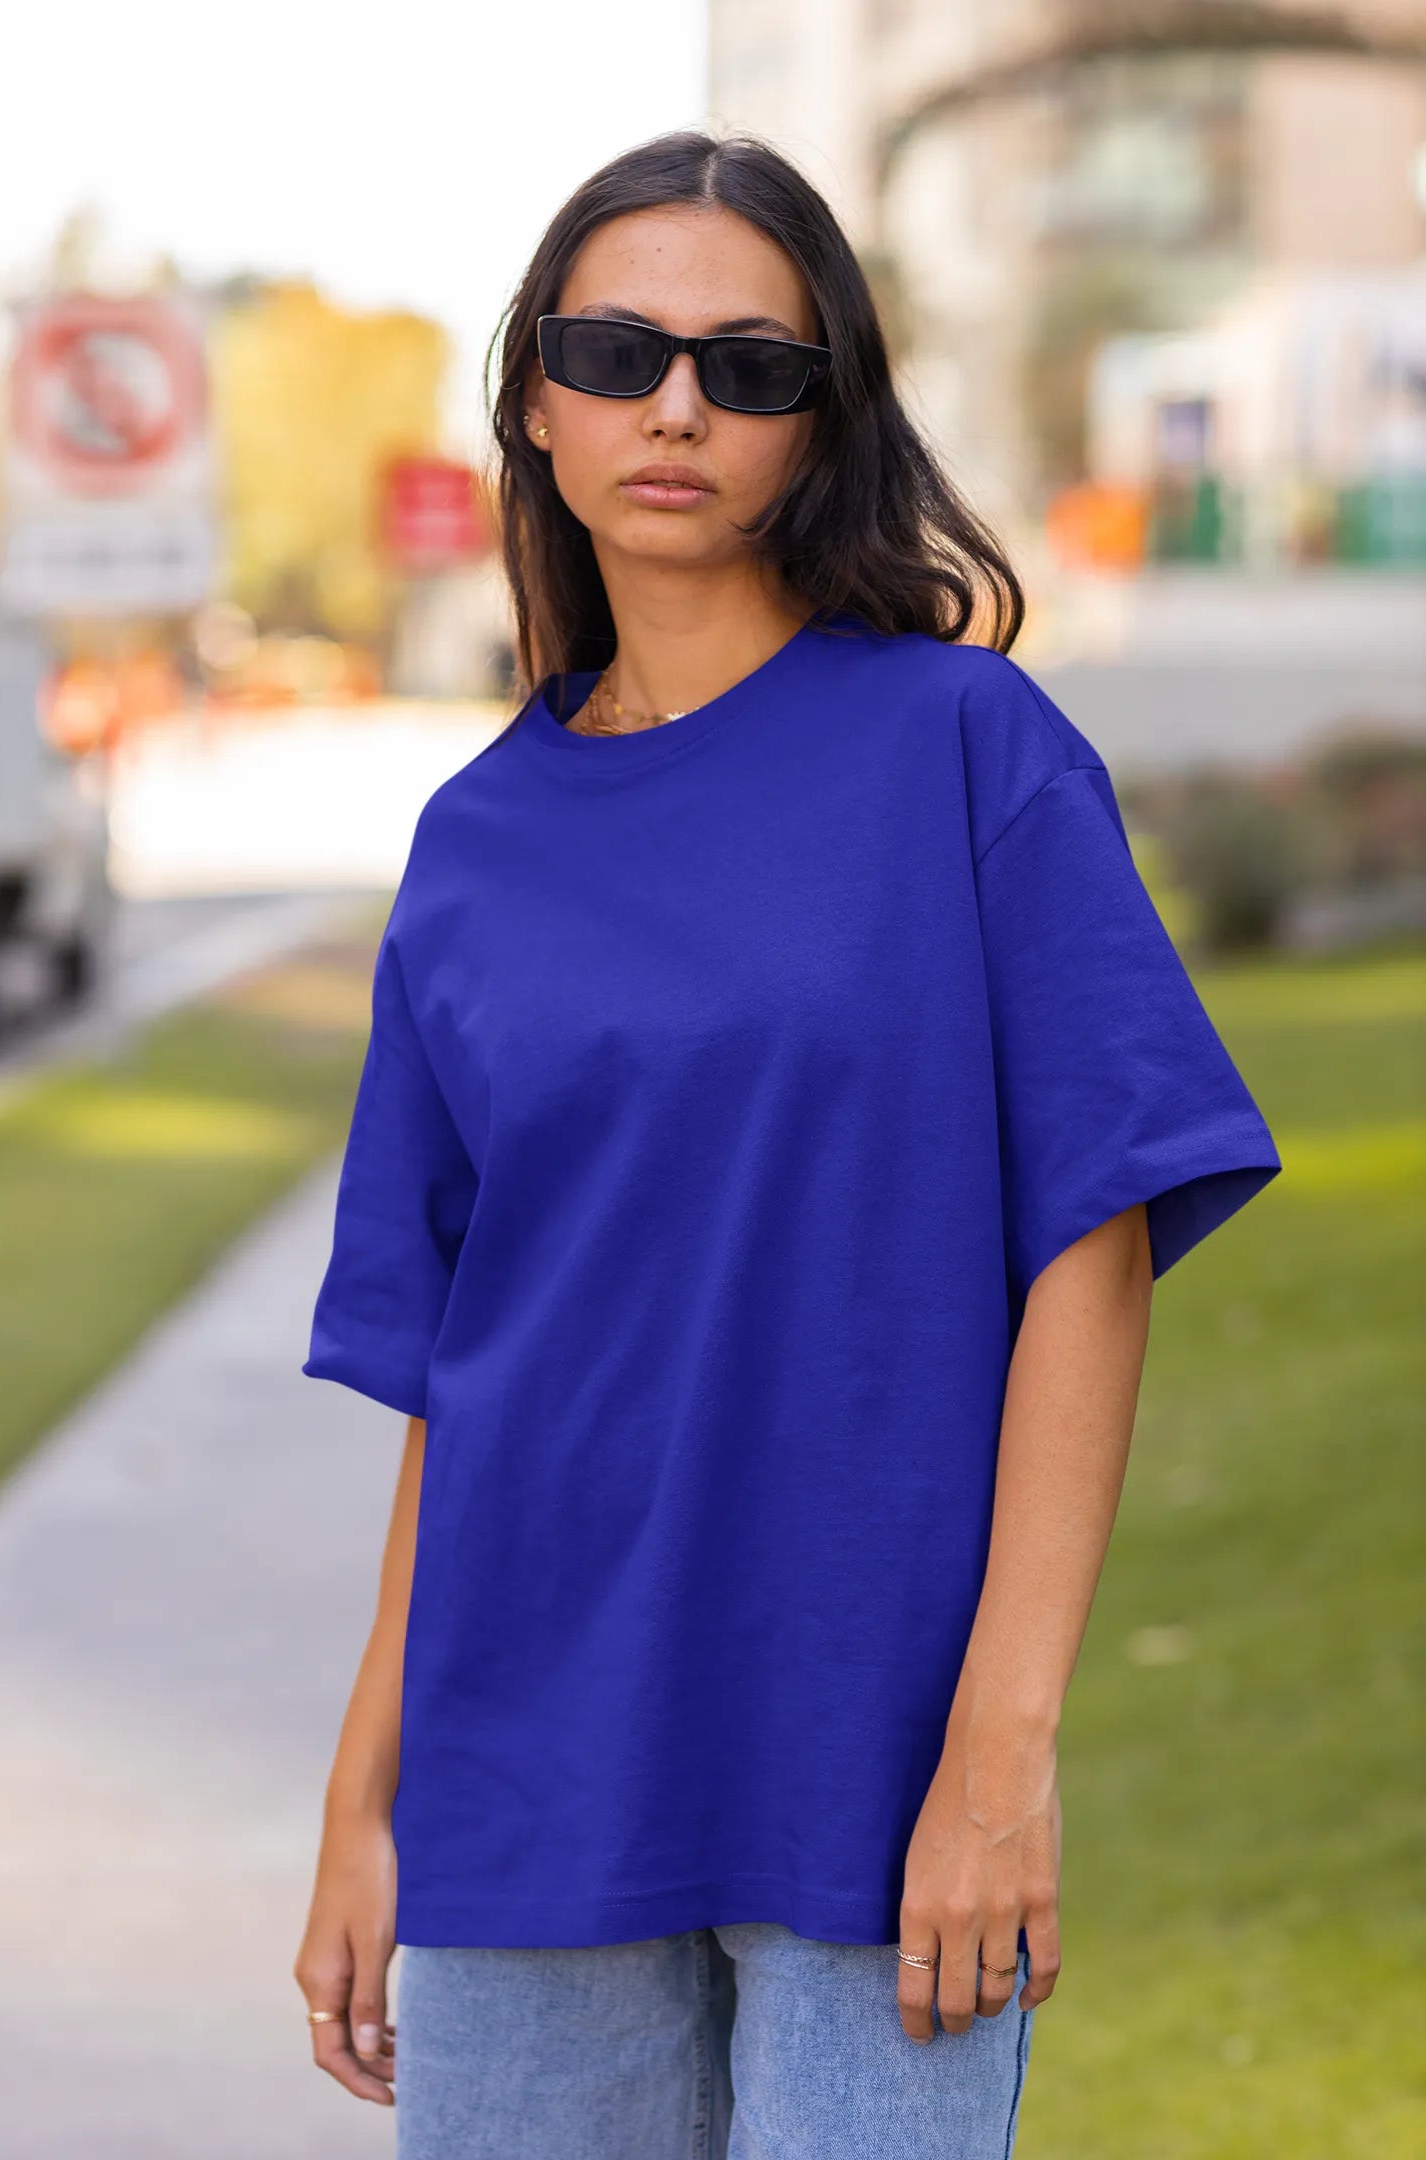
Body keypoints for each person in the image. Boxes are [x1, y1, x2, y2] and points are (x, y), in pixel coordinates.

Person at [292, 129, 1282, 2159]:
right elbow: (455, 1372)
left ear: (827, 422)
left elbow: (1087, 1250)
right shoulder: (472, 844)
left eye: (751, 367)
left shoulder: (969, 750)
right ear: (537, 400)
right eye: (621, 349)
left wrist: (1003, 1748)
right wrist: (361, 1798)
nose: (678, 404)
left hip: (879, 1765)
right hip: (521, 1781)